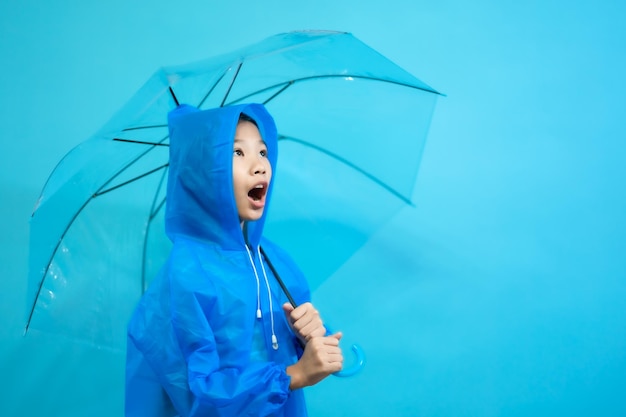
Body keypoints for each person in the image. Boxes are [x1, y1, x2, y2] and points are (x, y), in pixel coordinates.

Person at [125, 102, 343, 417]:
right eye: (237, 153)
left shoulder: (271, 258)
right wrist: (293, 375)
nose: (260, 166)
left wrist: (308, 337)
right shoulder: (188, 272)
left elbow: (278, 345)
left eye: (264, 152)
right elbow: (199, 392)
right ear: (202, 172)